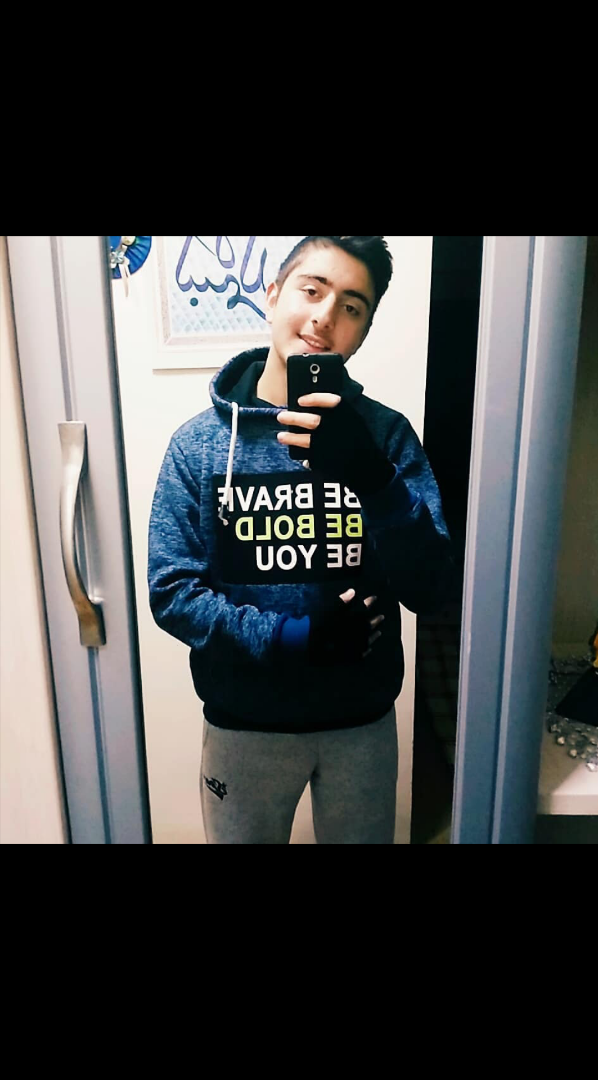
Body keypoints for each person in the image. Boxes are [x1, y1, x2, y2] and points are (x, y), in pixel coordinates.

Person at [148, 235, 453, 844]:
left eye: (352, 306)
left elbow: (432, 587)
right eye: (312, 290)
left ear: (364, 329)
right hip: (243, 723)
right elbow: (173, 593)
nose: (325, 317)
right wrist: (294, 638)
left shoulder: (386, 438)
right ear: (272, 295)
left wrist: (376, 481)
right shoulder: (197, 446)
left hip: (360, 722)